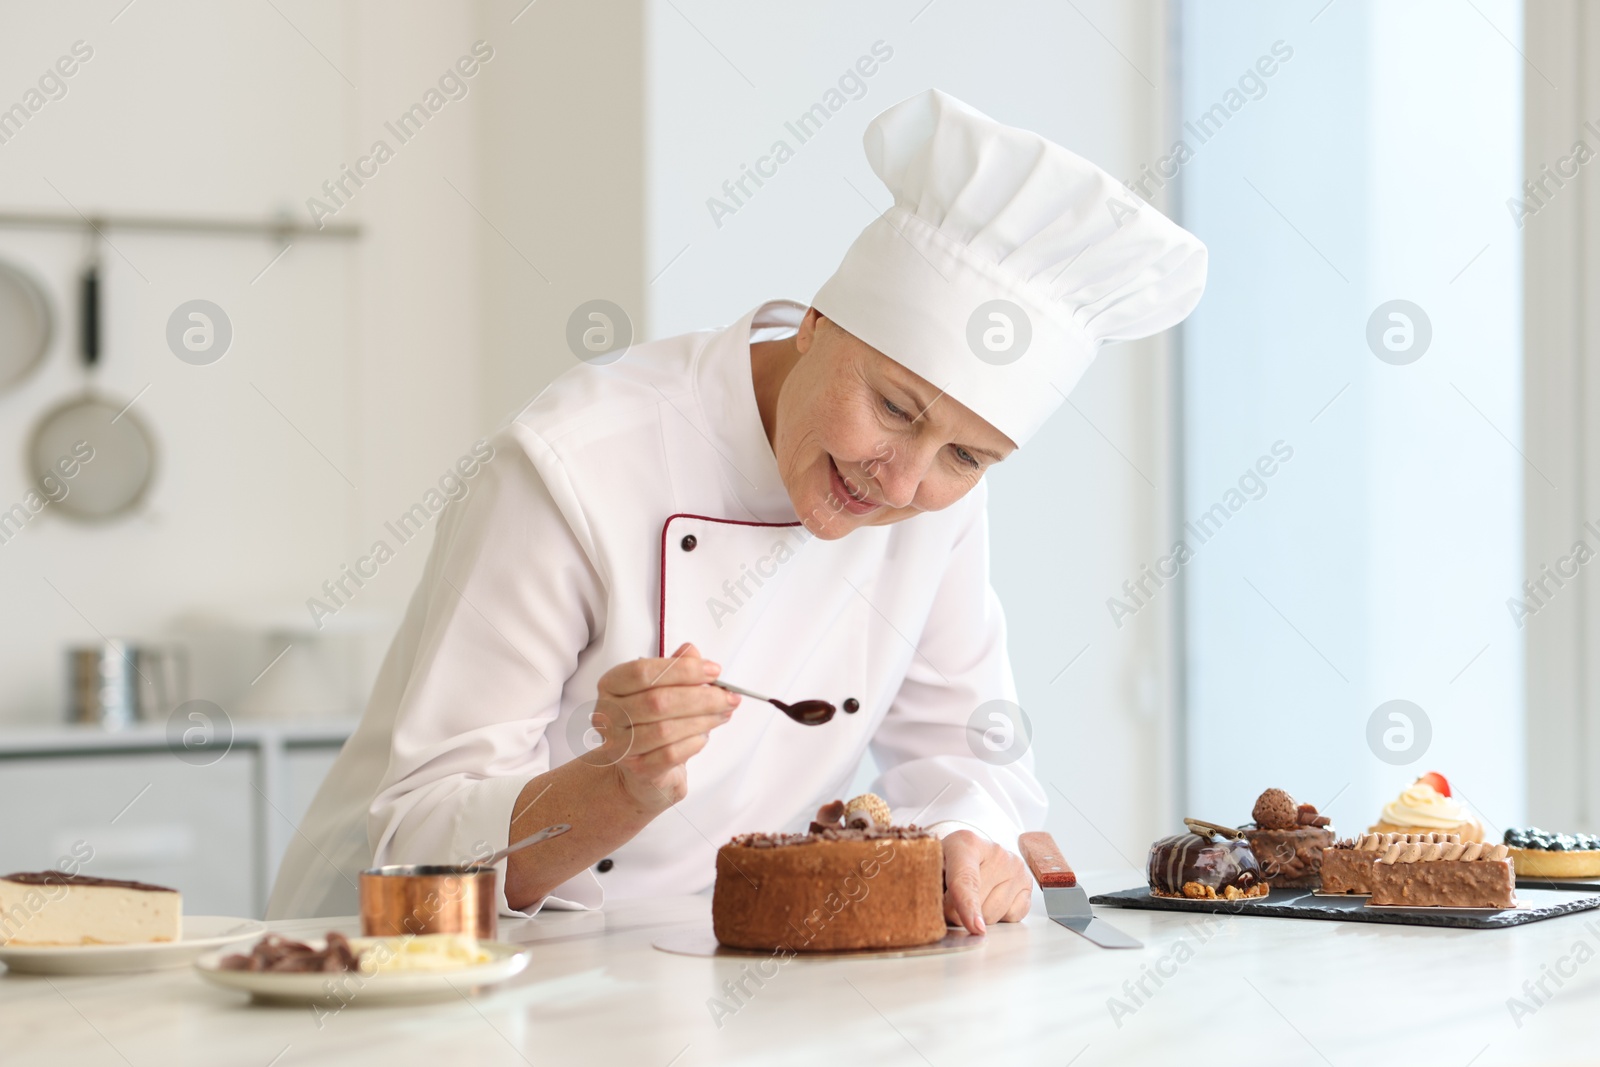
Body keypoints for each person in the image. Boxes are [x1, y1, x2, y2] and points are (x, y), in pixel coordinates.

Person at [269, 88, 1206, 934]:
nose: (901, 480)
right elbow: (417, 837)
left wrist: (969, 836)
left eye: (964, 454)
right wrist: (617, 785)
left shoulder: (937, 505)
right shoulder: (576, 462)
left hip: (692, 964)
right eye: (891, 408)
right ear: (818, 321)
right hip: (410, 972)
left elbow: (967, 749)